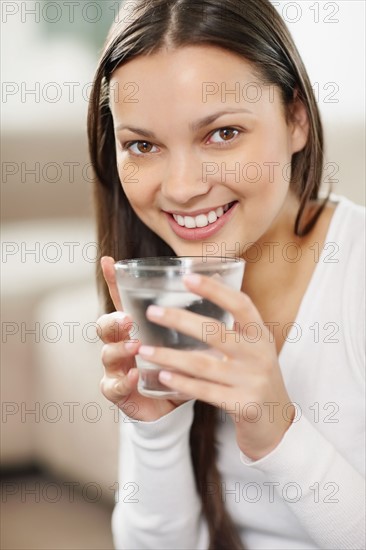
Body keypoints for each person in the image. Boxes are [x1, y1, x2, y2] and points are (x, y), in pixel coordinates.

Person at [87, 0, 365, 548]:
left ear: (296, 120)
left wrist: (278, 432)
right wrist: (156, 429)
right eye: (142, 145)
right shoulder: (155, 284)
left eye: (222, 134)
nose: (184, 186)